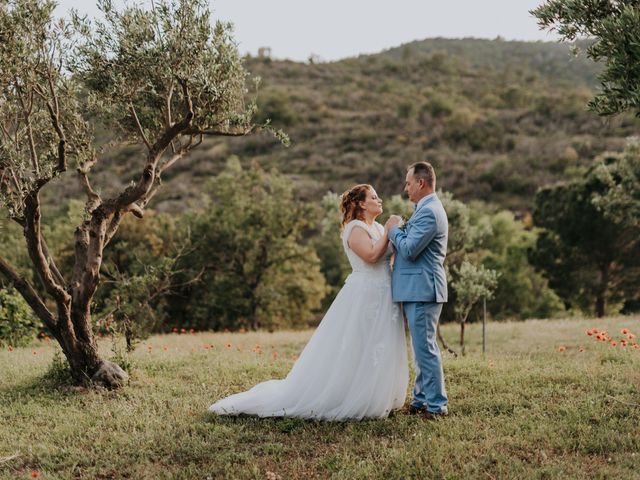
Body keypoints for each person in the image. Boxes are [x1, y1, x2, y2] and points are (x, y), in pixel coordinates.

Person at [208, 184, 408, 420]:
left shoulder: (375, 226)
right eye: (374, 197)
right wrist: (388, 230)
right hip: (365, 295)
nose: (380, 200)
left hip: (385, 294)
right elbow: (372, 256)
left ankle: (379, 395)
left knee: (379, 343)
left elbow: (388, 256)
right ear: (362, 204)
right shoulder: (355, 229)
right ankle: (351, 396)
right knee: (358, 344)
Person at [386, 161, 449, 419]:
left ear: (421, 183)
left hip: (423, 289)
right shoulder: (424, 208)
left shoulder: (429, 212)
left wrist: (392, 231)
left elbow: (410, 250)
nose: (405, 187)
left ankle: (437, 405)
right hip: (417, 289)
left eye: (409, 182)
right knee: (420, 348)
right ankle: (421, 399)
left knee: (425, 348)